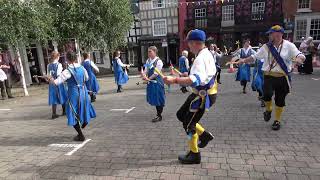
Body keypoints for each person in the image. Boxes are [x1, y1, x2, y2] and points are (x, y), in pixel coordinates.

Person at [233, 25, 305, 130]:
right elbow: (254, 56)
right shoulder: (266, 47)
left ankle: (277, 120)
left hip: (282, 77)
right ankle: (269, 109)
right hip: (269, 76)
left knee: (280, 100)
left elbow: (300, 55)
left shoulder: (289, 46)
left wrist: (299, 59)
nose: (269, 36)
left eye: (271, 34)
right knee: (266, 95)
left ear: (278, 34)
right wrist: (243, 60)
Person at [163, 29, 217, 164]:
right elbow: (201, 76)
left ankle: (194, 154)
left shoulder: (200, 58)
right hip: (200, 93)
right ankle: (204, 136)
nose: (188, 46)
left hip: (202, 95)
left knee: (188, 124)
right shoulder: (206, 53)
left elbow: (195, 79)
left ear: (195, 43)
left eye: (189, 43)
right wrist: (183, 76)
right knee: (181, 115)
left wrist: (174, 80)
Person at [50, 52, 96, 141]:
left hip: (74, 94)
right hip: (83, 92)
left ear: (67, 59)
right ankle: (84, 122)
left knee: (71, 112)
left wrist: (50, 79)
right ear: (75, 58)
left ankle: (81, 135)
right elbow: (86, 78)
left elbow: (56, 82)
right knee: (84, 108)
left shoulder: (68, 71)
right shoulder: (82, 68)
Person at [142, 46, 165, 123]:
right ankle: (158, 114)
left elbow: (156, 74)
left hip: (157, 82)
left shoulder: (159, 62)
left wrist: (148, 79)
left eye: (150, 51)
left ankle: (159, 115)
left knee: (158, 98)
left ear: (155, 52)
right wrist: (144, 75)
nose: (148, 53)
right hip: (151, 82)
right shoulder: (148, 60)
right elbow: (146, 70)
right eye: (148, 51)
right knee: (154, 98)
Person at [47, 51, 67, 119]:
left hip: (51, 83)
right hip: (58, 82)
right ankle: (64, 111)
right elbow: (58, 74)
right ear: (57, 57)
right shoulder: (59, 65)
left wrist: (49, 79)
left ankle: (54, 113)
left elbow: (48, 75)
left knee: (53, 97)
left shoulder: (48, 65)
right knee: (62, 95)